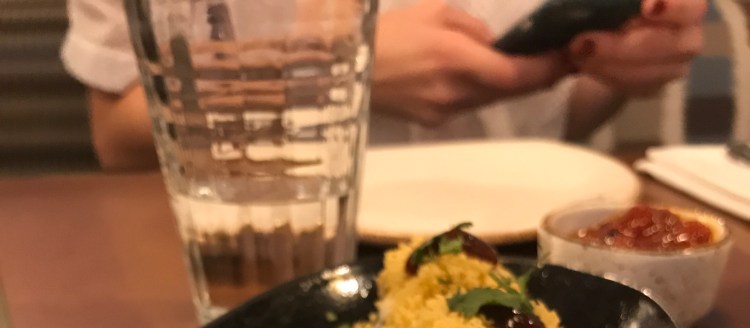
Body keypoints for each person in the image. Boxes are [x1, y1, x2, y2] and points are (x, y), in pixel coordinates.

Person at [61, 0, 706, 171]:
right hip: (248, 259)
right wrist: (335, 69)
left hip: (514, 244)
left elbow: (558, 120)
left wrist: (621, 68)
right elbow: (120, 134)